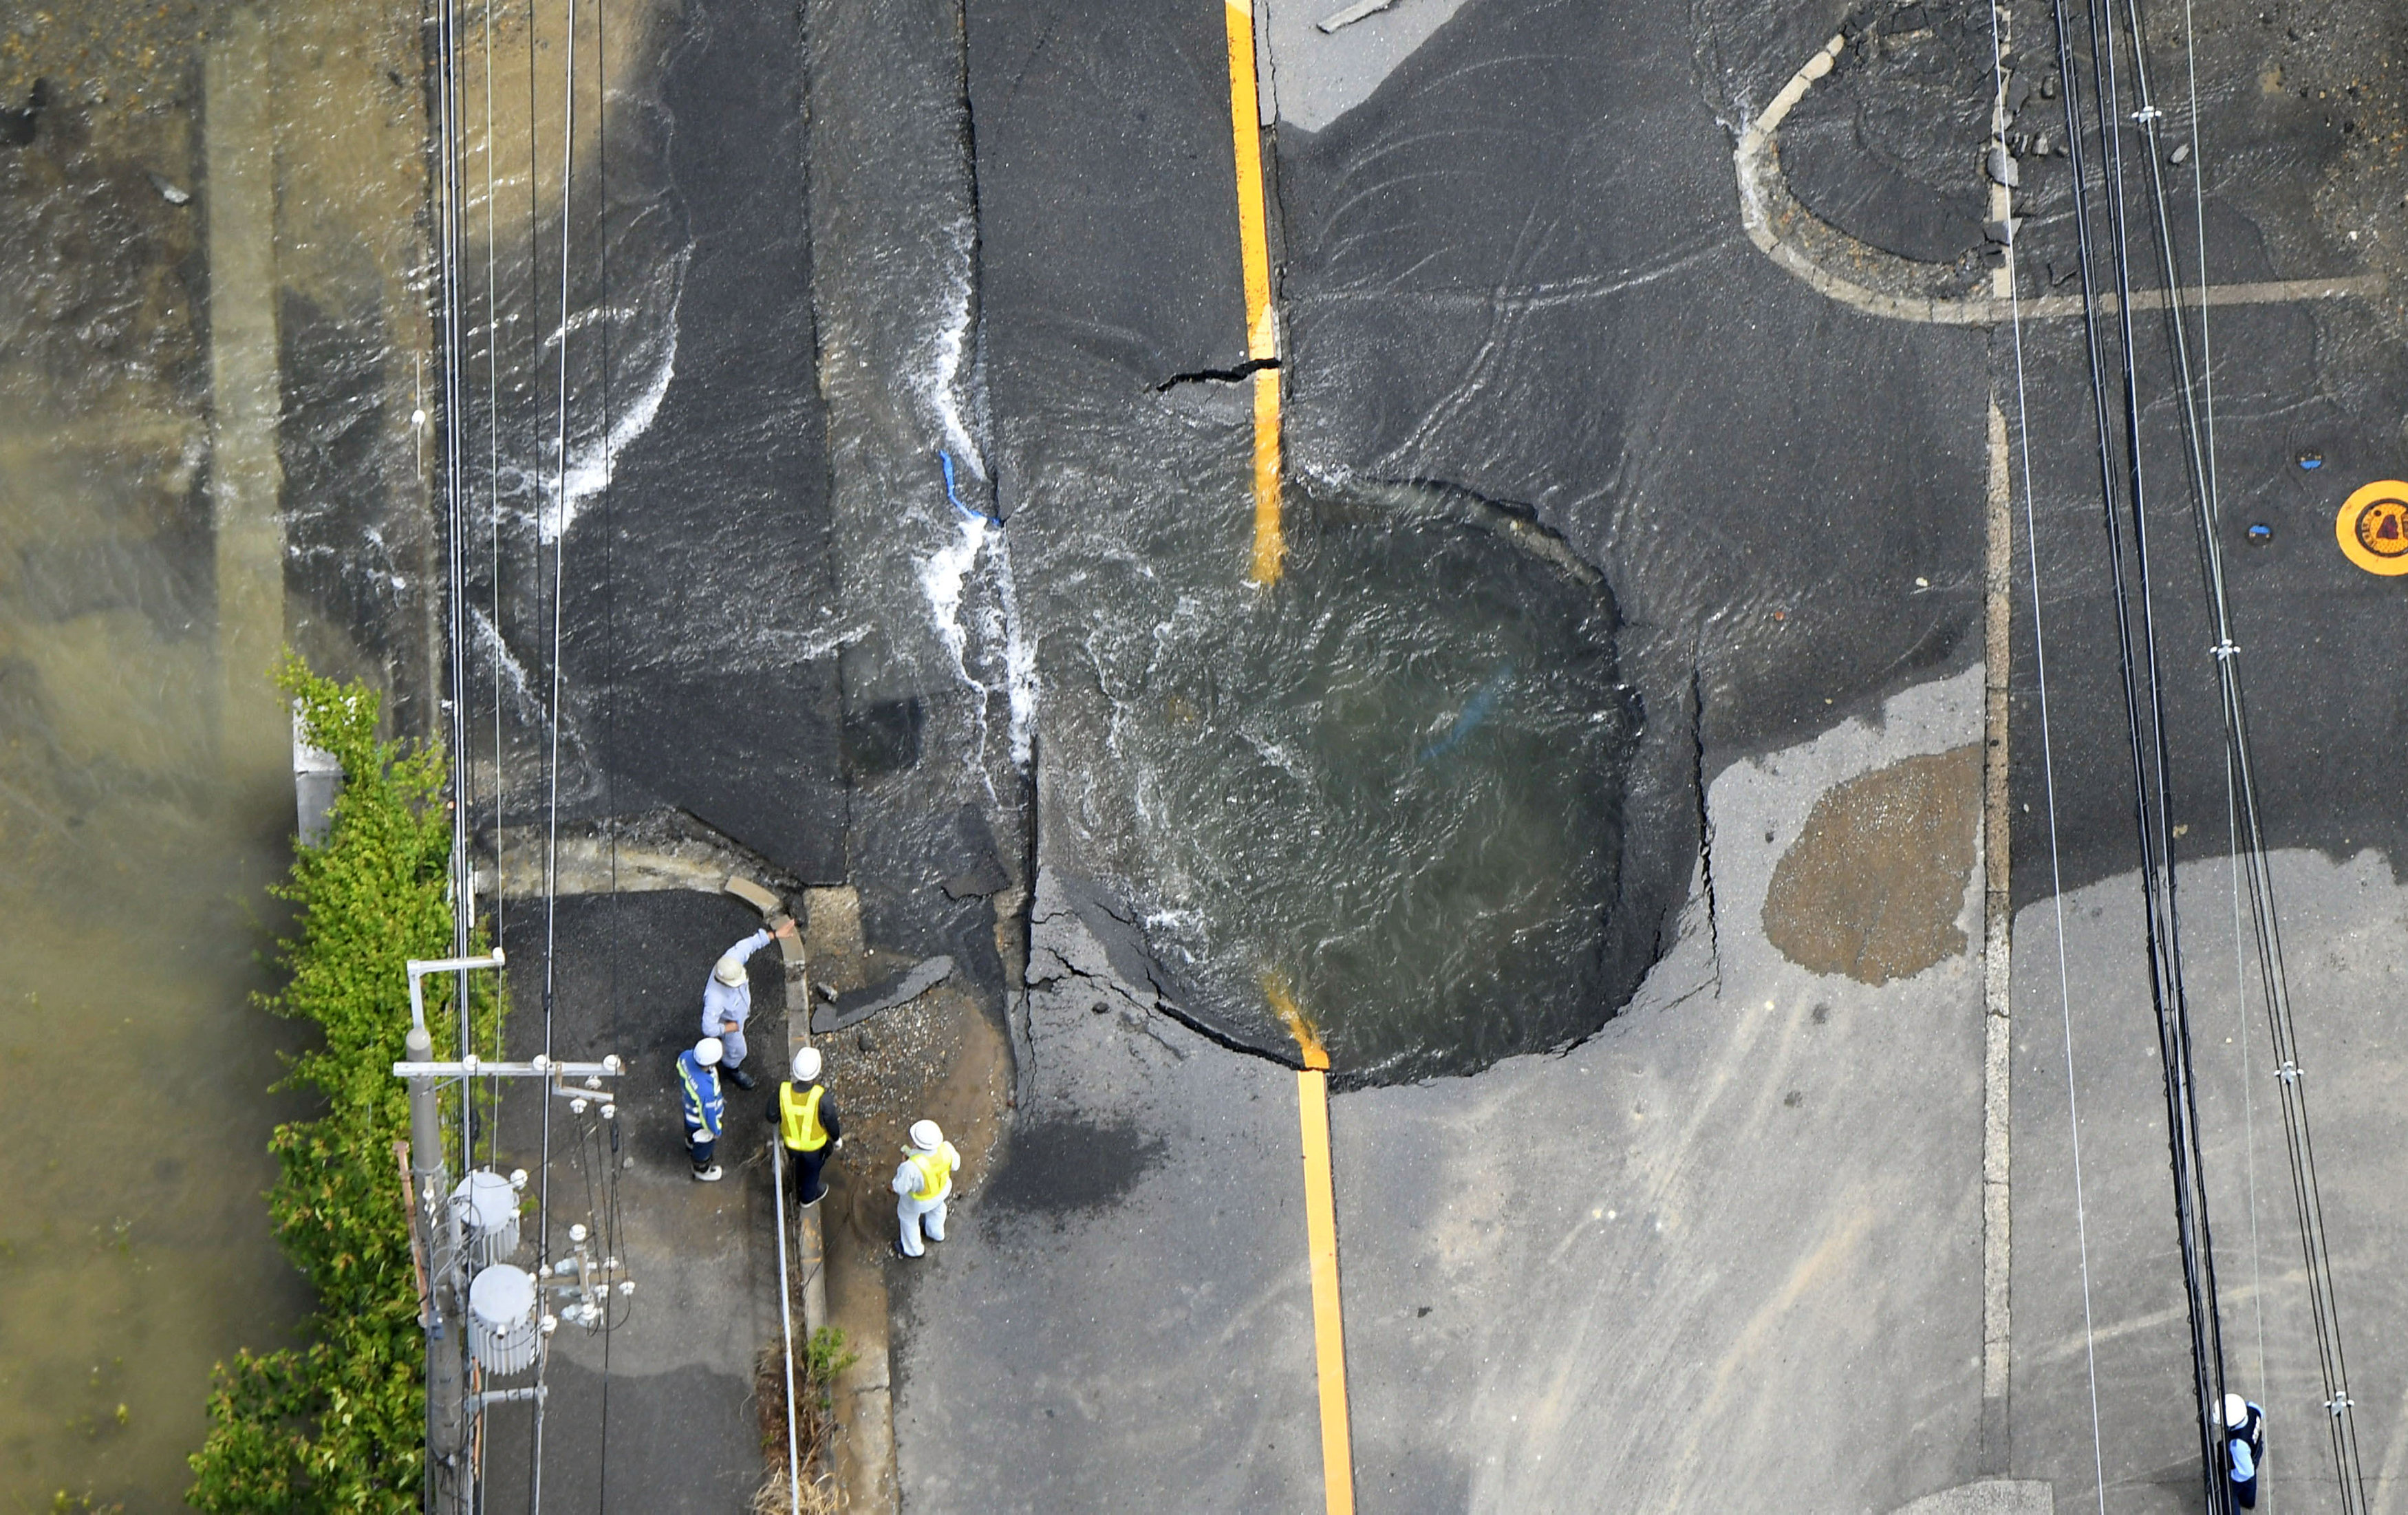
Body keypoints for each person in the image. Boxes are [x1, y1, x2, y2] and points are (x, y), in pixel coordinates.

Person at [700, 917, 796, 1090]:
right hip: (732, 1023)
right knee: (739, 1051)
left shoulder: (732, 960)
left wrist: (775, 935)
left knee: (735, 1045)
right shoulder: (715, 999)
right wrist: (728, 1028)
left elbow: (749, 944)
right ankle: (731, 1068)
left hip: (739, 1015)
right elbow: (708, 1028)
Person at [766, 1046, 842, 1207]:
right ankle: (807, 1198)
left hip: (791, 1146)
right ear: (817, 1072)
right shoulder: (822, 1097)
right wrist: (836, 1139)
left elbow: (771, 1115)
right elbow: (831, 1123)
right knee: (812, 1174)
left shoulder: (783, 1091)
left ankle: (799, 1180)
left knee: (800, 1166)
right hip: (814, 1149)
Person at [890, 1119, 961, 1260]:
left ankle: (913, 1249)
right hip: (942, 1192)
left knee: (908, 1218)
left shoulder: (911, 1166)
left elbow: (900, 1188)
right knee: (938, 1210)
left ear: (916, 1143)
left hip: (919, 1201)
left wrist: (903, 1165)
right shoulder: (946, 1149)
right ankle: (936, 1233)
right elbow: (956, 1165)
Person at [677, 1036, 727, 1182]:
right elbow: (708, 1115)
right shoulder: (706, 1090)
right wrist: (715, 1130)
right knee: (704, 1146)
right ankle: (701, 1170)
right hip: (701, 1122)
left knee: (690, 1129)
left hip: (689, 1111)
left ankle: (690, 1143)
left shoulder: (685, 1057)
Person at [2220, 1393, 2266, 1509]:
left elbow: (2246, 1472)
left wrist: (2229, 1476)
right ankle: (2249, 1502)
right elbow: (2261, 1413)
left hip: (2243, 1469)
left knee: (2230, 1494)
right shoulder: (2252, 1409)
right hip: (2255, 1451)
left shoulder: (2237, 1445)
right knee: (2251, 1483)